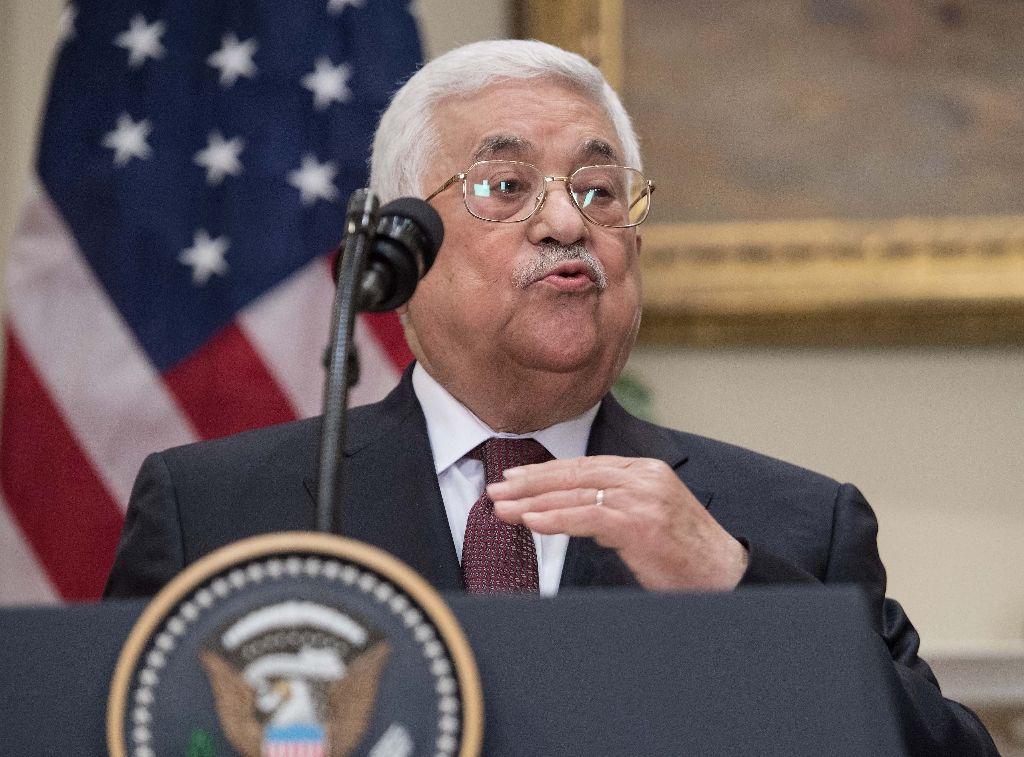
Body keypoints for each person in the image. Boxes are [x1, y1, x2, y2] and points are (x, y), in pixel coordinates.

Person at [105, 39, 997, 754]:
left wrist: (737, 588)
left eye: (599, 190)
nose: (568, 222)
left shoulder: (793, 524)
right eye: (506, 186)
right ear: (405, 242)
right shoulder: (215, 513)